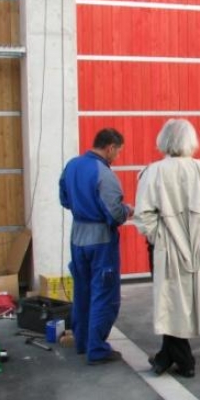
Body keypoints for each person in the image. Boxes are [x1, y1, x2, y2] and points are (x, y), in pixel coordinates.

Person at [134, 119, 200, 378]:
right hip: (196, 246)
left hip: (167, 247)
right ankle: (172, 358)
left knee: (170, 300)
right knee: (179, 300)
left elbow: (143, 213)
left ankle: (180, 361)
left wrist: (158, 238)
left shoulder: (153, 172)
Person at [59, 128, 133, 365]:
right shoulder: (104, 174)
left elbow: (64, 199)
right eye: (118, 152)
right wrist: (129, 210)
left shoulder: (71, 166)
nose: (117, 157)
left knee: (82, 291)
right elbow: (115, 213)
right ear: (110, 147)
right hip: (100, 240)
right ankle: (97, 349)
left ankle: (82, 341)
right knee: (104, 293)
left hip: (77, 236)